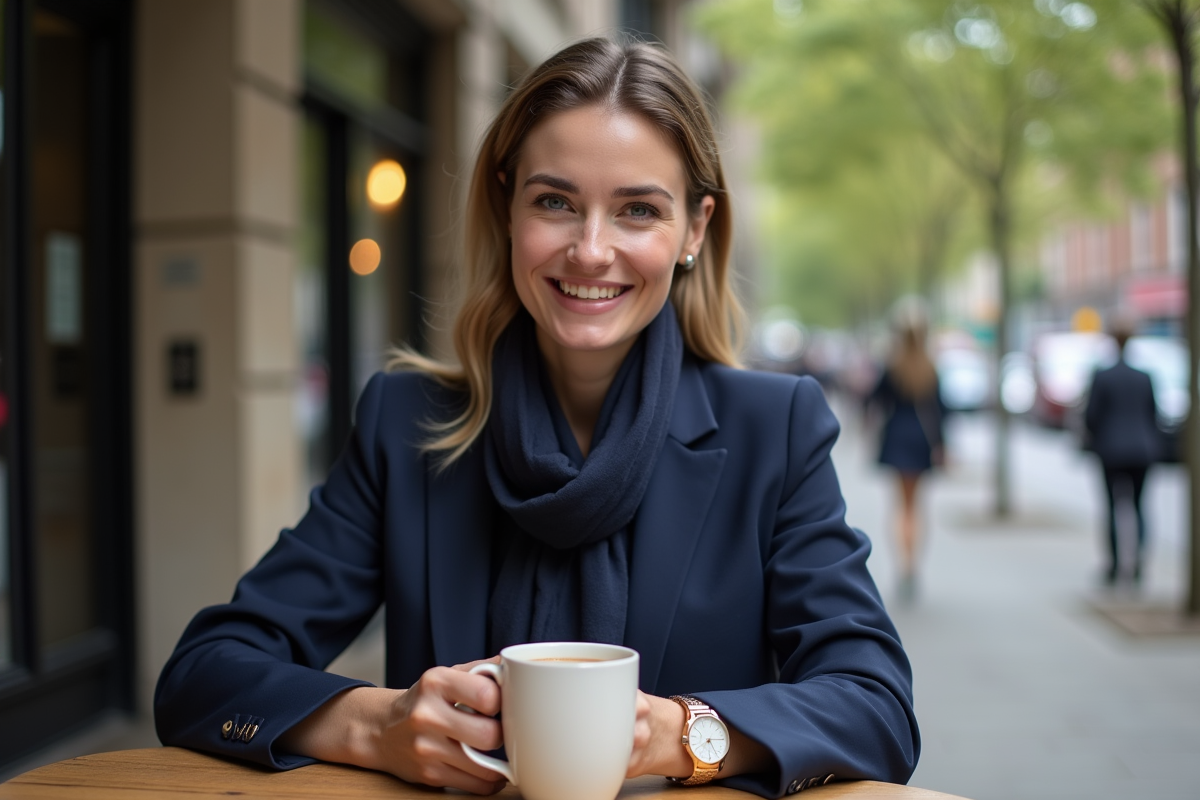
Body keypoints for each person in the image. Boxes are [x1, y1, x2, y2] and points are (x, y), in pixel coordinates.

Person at [154, 37, 919, 798]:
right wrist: (376, 726)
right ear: (507, 206)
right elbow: (202, 674)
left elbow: (876, 707)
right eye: (554, 201)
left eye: (638, 210)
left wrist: (681, 734)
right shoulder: (407, 423)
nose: (590, 250)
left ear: (693, 229)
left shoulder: (773, 430)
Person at [866, 312, 944, 602]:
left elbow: (874, 400)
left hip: (896, 437)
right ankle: (913, 566)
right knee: (917, 507)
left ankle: (902, 565)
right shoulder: (931, 368)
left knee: (899, 506)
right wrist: (942, 445)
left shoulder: (892, 366)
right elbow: (941, 411)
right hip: (921, 440)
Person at [1084, 322, 1159, 586]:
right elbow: (1154, 414)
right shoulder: (1144, 376)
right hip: (1141, 449)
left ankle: (1115, 566)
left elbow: (1091, 416)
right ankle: (1138, 563)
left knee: (1111, 508)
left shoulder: (1102, 376)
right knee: (1139, 508)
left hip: (1111, 449)